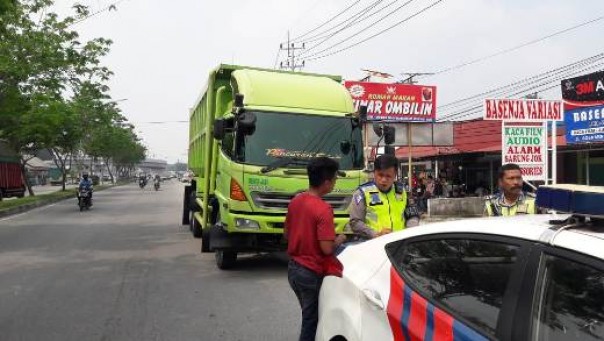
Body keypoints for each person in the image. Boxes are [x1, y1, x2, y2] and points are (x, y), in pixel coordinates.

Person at [284, 157, 346, 341]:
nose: (334, 183)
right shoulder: (323, 209)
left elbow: (286, 234)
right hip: (310, 272)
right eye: (335, 179)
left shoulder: (296, 201)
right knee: (311, 321)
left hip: (293, 270)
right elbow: (326, 249)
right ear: (326, 182)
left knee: (309, 315)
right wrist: (340, 239)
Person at [347, 154, 420, 243]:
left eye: (388, 176)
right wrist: (375, 234)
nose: (384, 180)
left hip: (399, 244)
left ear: (395, 175)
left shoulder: (402, 191)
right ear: (374, 173)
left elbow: (413, 215)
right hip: (373, 244)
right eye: (380, 175)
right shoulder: (362, 193)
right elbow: (355, 222)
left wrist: (408, 233)